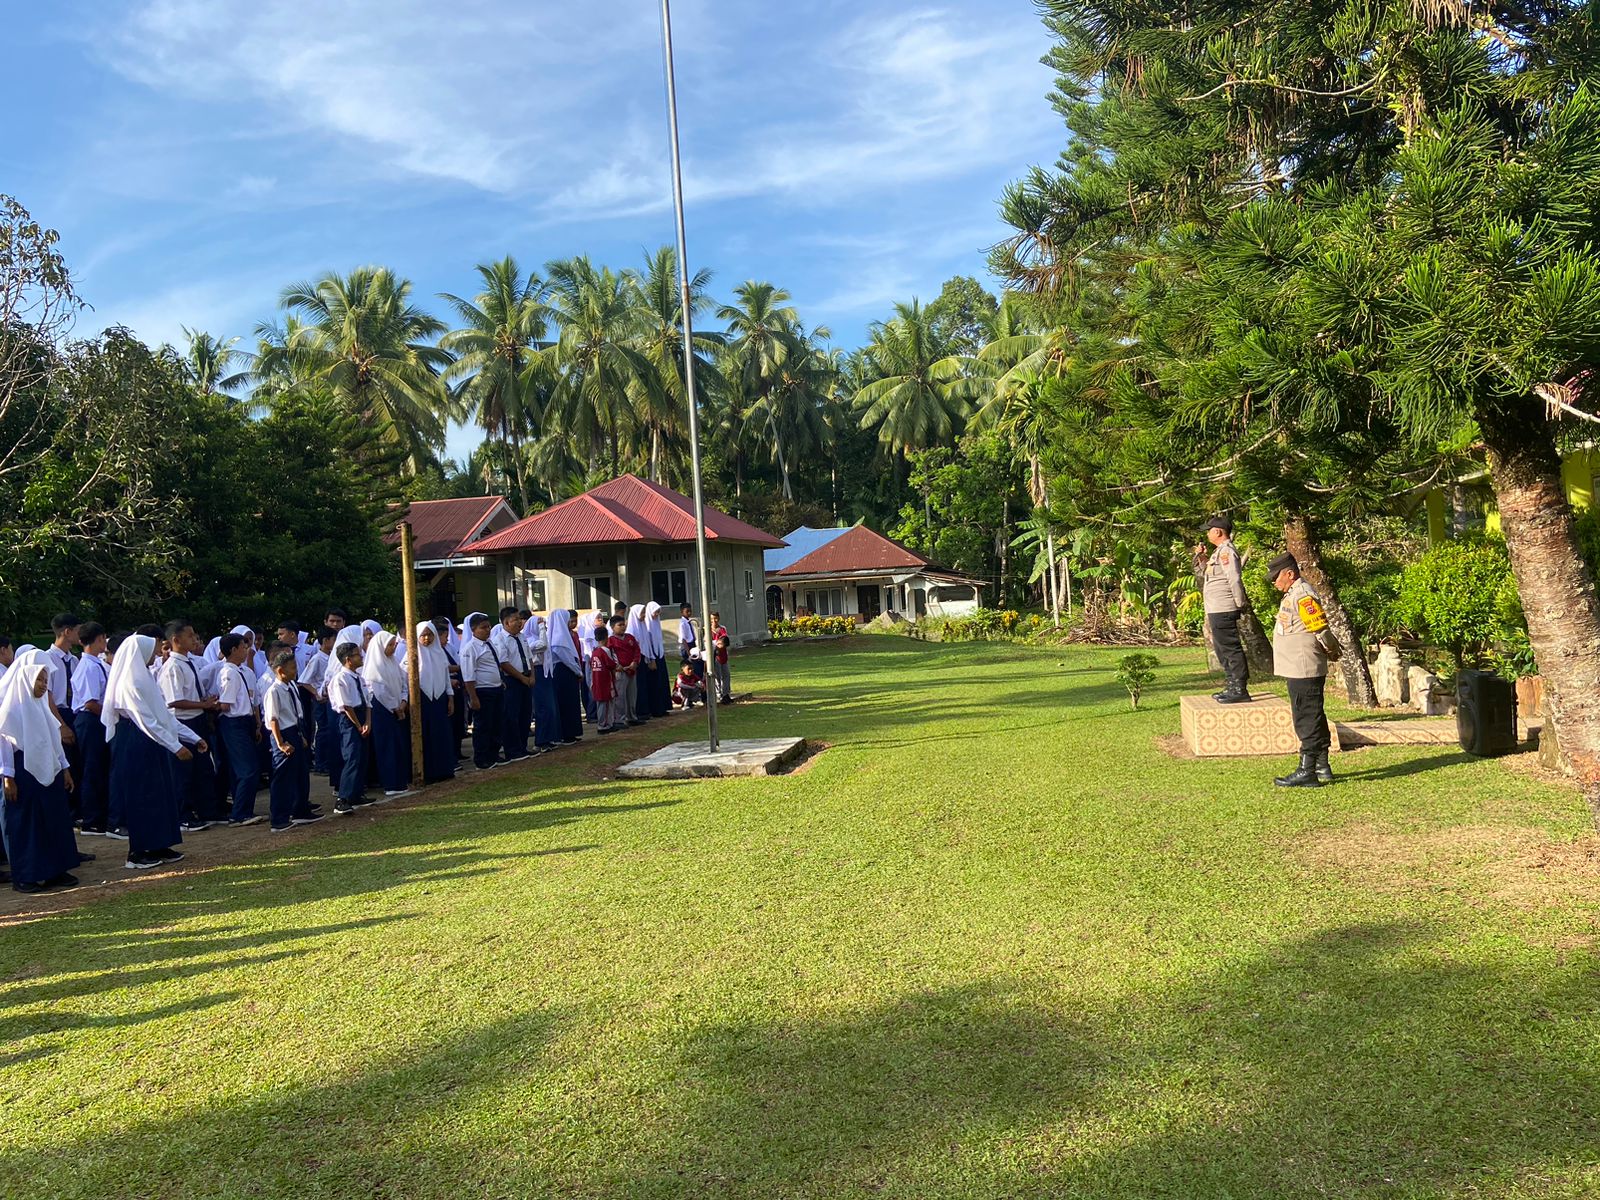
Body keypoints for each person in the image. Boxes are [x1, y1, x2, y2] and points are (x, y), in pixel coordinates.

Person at [104, 632, 204, 869]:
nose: (157, 652)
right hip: (136, 741)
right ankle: (137, 852)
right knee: (142, 795)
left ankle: (159, 843)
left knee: (161, 793)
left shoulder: (145, 677)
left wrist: (191, 737)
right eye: (153, 648)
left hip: (152, 741)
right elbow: (145, 720)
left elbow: (163, 717)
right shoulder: (130, 681)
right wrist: (176, 746)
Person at [0, 648, 80, 893]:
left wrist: (64, 768)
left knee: (54, 819)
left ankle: (56, 869)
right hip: (23, 771)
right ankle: (28, 875)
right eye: (40, 679)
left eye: (46, 680)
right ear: (26, 677)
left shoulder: (42, 707)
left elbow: (53, 740)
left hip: (50, 769)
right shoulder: (10, 710)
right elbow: (5, 744)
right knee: (28, 823)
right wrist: (8, 776)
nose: (44, 685)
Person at [1266, 552, 1341, 788]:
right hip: (1298, 666)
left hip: (1303, 666)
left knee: (1306, 718)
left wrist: (1333, 650)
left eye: (1276, 576)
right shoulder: (1294, 593)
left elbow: (1320, 628)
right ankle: (1322, 766)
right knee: (1314, 716)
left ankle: (1306, 770)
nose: (1273, 581)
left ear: (1290, 573)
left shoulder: (1303, 595)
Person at [263, 651, 322, 832]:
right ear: (280, 671)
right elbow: (273, 719)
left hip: (295, 730)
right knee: (283, 777)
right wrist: (281, 743)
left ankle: (300, 810)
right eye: (293, 668)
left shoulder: (291, 687)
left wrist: (301, 735)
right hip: (283, 733)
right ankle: (279, 818)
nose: (296, 671)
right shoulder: (274, 690)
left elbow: (295, 712)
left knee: (300, 773)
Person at [1199, 515, 1252, 703]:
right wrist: (1201, 557)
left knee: (1230, 648)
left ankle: (1239, 688)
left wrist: (1239, 603)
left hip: (1224, 607)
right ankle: (1231, 684)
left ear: (1218, 531)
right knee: (1222, 648)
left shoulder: (1226, 552)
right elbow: (1207, 574)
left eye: (1209, 530)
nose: (1207, 533)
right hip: (1216, 608)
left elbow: (1234, 578)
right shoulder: (1218, 552)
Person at [215, 633, 266, 826]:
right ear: (233, 650)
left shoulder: (245, 672)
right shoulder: (228, 672)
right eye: (243, 647)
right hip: (233, 723)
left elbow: (254, 701)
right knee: (247, 768)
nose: (247, 650)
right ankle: (240, 813)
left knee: (248, 766)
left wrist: (257, 722)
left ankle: (244, 808)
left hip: (247, 722)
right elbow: (226, 705)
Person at [70, 622, 112, 836]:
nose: (105, 643)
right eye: (103, 638)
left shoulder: (94, 664)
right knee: (92, 768)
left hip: (94, 719)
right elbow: (90, 702)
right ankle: (91, 819)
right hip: (90, 719)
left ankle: (99, 815)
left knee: (99, 767)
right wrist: (109, 715)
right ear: (98, 639)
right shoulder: (88, 666)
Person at [362, 630, 413, 798]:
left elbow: (403, 684)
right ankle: (390, 783)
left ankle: (401, 780)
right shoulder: (373, 668)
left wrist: (404, 702)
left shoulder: (394, 663)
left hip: (398, 709)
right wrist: (396, 707)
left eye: (394, 644)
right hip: (383, 711)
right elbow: (379, 691)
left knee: (399, 745)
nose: (393, 648)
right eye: (389, 645)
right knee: (387, 747)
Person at [326, 641, 372, 814]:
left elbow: (367, 702)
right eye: (357, 655)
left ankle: (356, 793)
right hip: (349, 720)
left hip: (361, 717)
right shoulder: (340, 679)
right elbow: (346, 706)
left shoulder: (359, 678)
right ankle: (343, 798)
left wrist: (368, 722)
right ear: (348, 659)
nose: (361, 657)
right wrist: (359, 726)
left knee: (362, 757)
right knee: (352, 757)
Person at [459, 612, 505, 769]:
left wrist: (500, 680)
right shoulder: (470, 648)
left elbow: (493, 664)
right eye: (483, 627)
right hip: (482, 691)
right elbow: (468, 675)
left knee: (496, 724)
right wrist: (473, 697)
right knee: (483, 726)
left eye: (488, 627)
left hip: (496, 688)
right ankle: (481, 758)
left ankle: (494, 754)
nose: (487, 630)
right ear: (473, 629)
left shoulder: (489, 643)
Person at [413, 621, 457, 784]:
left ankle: (444, 769)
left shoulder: (439, 653)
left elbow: (446, 678)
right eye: (423, 635)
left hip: (440, 699)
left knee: (441, 734)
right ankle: (428, 772)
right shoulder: (413, 655)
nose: (426, 638)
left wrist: (450, 697)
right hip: (423, 700)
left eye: (430, 634)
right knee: (426, 735)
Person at [493, 607, 536, 761]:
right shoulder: (500, 639)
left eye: (519, 619)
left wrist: (532, 675)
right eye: (515, 619)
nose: (519, 622)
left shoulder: (522, 637)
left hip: (526, 679)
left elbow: (529, 657)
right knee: (512, 716)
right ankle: (512, 750)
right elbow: (504, 663)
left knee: (525, 714)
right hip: (512, 680)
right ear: (506, 622)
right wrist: (521, 678)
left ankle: (522, 747)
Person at [544, 608, 584, 745]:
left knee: (571, 703)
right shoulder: (559, 638)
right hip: (564, 673)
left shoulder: (563, 635)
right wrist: (578, 671)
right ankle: (566, 734)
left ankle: (570, 732)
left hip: (566, 672)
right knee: (566, 704)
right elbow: (567, 659)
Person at [434, 616, 468, 760]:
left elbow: (457, 662)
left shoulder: (450, 647)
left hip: (458, 684)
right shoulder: (435, 651)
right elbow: (442, 668)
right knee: (451, 722)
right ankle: (451, 754)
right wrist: (458, 668)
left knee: (459, 720)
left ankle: (458, 750)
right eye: (444, 637)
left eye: (447, 636)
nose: (447, 639)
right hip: (447, 686)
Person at [526, 615, 561, 751]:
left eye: (545, 625)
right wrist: (541, 628)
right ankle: (541, 740)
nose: (544, 628)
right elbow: (543, 645)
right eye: (541, 625)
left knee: (550, 708)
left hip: (545, 673)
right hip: (538, 673)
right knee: (543, 707)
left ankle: (549, 737)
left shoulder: (539, 638)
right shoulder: (529, 640)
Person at [608, 614, 642, 726]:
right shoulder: (611, 641)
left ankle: (631, 717)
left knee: (632, 695)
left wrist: (635, 662)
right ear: (613, 627)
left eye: (624, 624)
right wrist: (616, 666)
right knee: (620, 697)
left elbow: (637, 651)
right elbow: (609, 656)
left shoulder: (630, 638)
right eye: (620, 625)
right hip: (620, 672)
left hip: (632, 670)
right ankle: (619, 719)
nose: (623, 627)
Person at [589, 625, 622, 733]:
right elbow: (611, 664)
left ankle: (605, 723)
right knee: (607, 704)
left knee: (601, 703)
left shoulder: (594, 652)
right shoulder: (605, 651)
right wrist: (618, 667)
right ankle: (605, 725)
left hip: (596, 681)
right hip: (605, 682)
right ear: (606, 637)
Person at [644, 601, 669, 718]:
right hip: (652, 656)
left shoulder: (656, 624)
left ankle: (663, 707)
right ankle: (656, 709)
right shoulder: (647, 625)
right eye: (655, 612)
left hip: (660, 655)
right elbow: (648, 643)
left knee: (662, 682)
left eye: (658, 612)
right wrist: (651, 658)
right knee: (655, 684)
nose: (656, 615)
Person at [708, 611, 733, 705]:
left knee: (726, 674)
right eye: (712, 619)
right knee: (717, 676)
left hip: (723, 655)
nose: (714, 620)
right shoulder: (707, 630)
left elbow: (725, 641)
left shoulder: (722, 629)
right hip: (715, 657)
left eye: (716, 618)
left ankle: (726, 693)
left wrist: (720, 643)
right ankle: (719, 694)